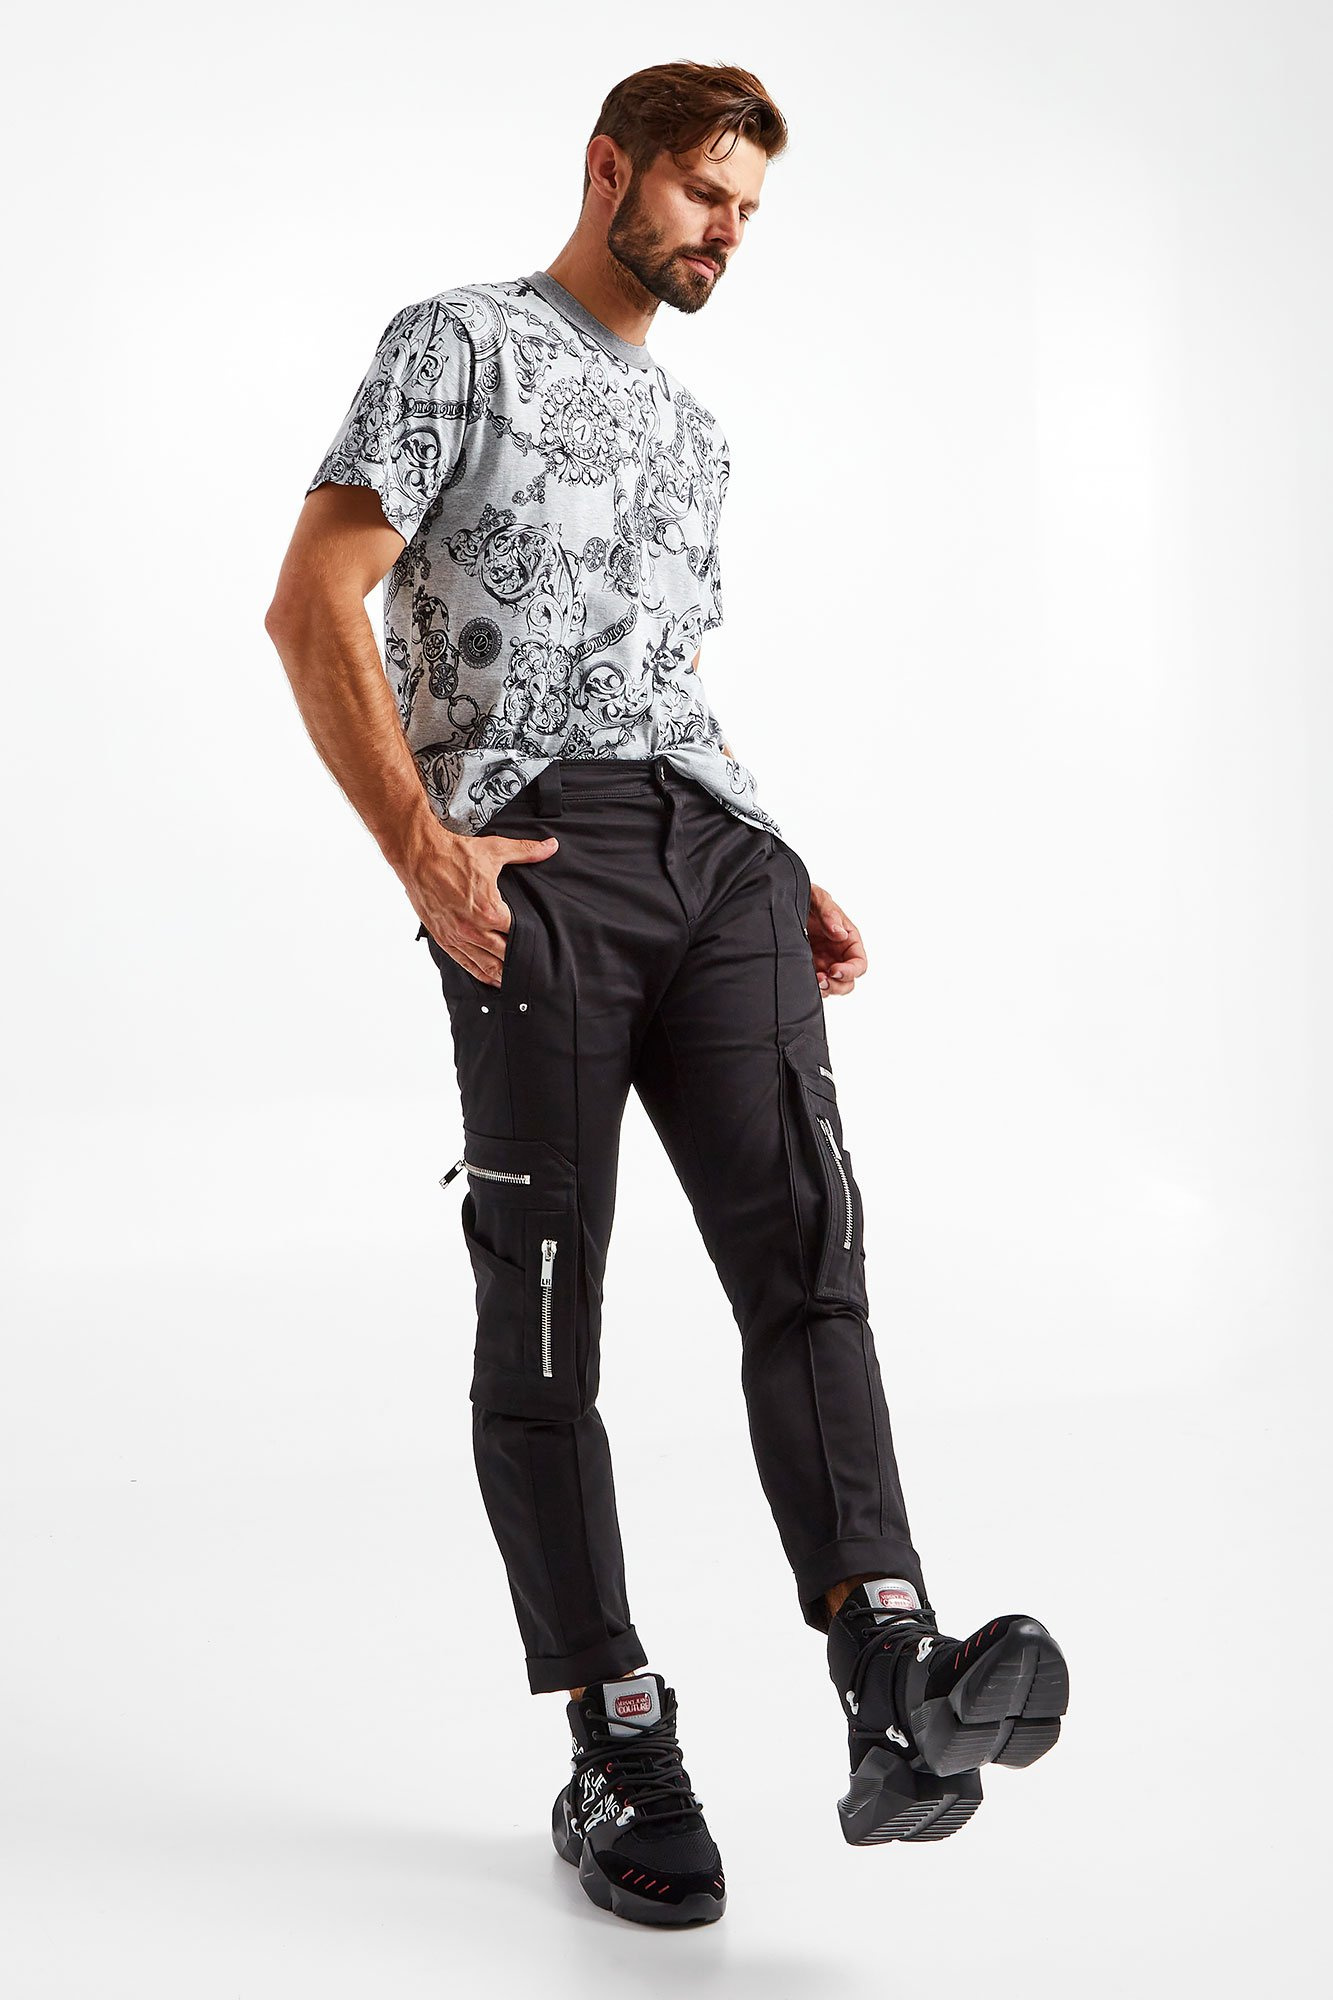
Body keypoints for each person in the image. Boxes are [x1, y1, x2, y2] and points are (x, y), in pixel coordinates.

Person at [264, 59, 1069, 1929]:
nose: (728, 233)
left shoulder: (693, 433)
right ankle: (615, 1730)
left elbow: (656, 677)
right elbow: (313, 599)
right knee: (548, 1304)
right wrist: (419, 846)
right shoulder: (459, 342)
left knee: (808, 1248)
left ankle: (890, 1670)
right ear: (609, 169)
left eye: (750, 210)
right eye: (706, 193)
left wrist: (780, 851)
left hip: (720, 860)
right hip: (535, 862)